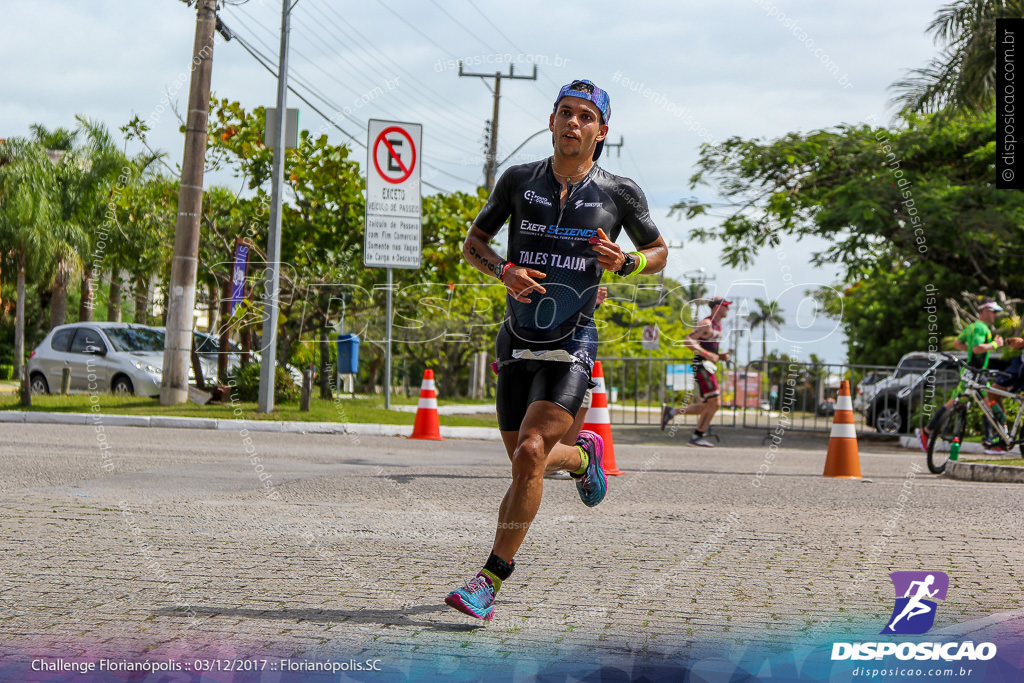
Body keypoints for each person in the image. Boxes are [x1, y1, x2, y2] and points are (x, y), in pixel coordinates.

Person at [446, 79, 668, 621]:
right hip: (517, 339)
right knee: (531, 465)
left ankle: (489, 581)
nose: (573, 123)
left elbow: (659, 251)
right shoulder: (519, 181)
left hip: (573, 339)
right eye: (565, 113)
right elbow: (472, 244)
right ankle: (586, 455)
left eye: (585, 117)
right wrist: (504, 270)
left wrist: (628, 263)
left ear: (602, 132)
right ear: (551, 121)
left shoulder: (620, 192)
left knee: (529, 455)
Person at [917, 300, 1004, 453]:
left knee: (968, 403)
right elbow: (977, 349)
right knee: (986, 403)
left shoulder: (971, 327)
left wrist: (969, 348)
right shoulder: (980, 328)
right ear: (984, 311)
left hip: (974, 372)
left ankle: (927, 431)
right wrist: (995, 344)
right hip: (974, 372)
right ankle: (989, 441)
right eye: (993, 311)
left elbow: (957, 343)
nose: (995, 315)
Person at [660, 298, 731, 447]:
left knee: (705, 406)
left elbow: (710, 347)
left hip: (709, 365)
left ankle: (671, 412)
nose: (728, 309)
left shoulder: (718, 325)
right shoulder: (707, 323)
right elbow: (688, 340)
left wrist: (720, 356)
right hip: (702, 365)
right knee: (716, 402)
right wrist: (707, 354)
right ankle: (697, 436)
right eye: (726, 306)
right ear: (717, 307)